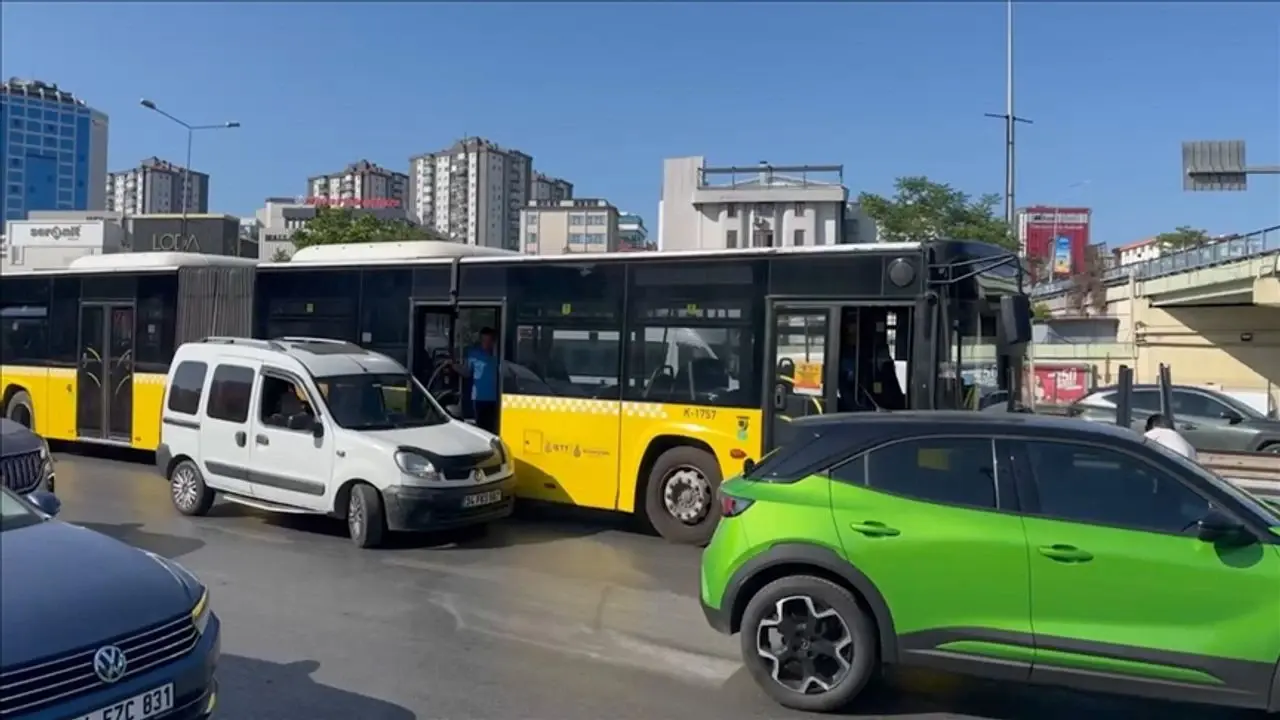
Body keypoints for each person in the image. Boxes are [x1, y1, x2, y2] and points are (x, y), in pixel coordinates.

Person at [454, 327, 500, 434]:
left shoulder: (498, 356)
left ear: (493, 342)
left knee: (492, 428)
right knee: (481, 428)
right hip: (479, 398)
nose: (486, 344)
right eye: (484, 340)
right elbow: (466, 372)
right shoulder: (473, 355)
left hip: (495, 398)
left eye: (489, 341)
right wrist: (454, 366)